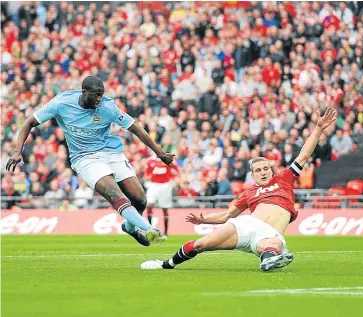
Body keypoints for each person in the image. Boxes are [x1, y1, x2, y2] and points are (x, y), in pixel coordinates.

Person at [140, 108, 337, 272]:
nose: (263, 172)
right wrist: (203, 220)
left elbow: (303, 155)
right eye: (258, 170)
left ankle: (269, 260)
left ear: (271, 170)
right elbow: (226, 215)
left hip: (267, 235)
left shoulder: (284, 178)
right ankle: (166, 264)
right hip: (246, 226)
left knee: (273, 245)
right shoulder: (249, 193)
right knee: (201, 244)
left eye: (266, 168)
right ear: (253, 175)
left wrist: (318, 129)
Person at [6, 76, 170, 246]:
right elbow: (29, 122)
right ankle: (150, 229)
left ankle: (130, 227)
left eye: (101, 95)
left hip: (111, 152)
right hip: (84, 157)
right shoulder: (61, 103)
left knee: (140, 199)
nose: (99, 99)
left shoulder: (108, 107)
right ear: (84, 92)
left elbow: (135, 127)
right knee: (114, 194)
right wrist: (18, 150)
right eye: (95, 95)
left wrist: (159, 153)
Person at [144, 153, 180, 235]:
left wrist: (177, 178)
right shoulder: (150, 160)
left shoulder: (167, 159)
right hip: (153, 185)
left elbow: (176, 169)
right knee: (149, 204)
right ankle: (150, 228)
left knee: (164, 208)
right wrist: (147, 177)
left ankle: (166, 231)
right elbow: (147, 173)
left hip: (165, 186)